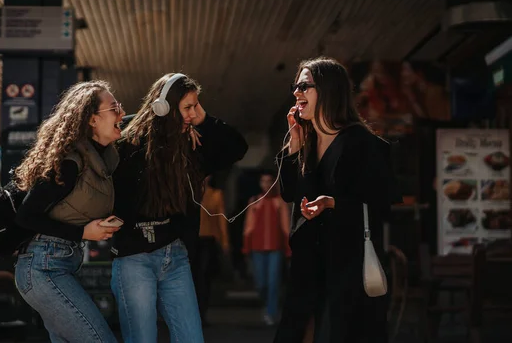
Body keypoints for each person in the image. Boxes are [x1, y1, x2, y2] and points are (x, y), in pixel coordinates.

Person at [111, 73, 248, 343]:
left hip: (176, 256)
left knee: (191, 338)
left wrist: (204, 120)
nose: (193, 113)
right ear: (164, 107)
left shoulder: (192, 145)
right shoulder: (127, 141)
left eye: (196, 105)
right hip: (134, 258)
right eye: (188, 107)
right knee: (142, 339)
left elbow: (237, 147)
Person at [274, 57, 402, 343]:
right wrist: (294, 145)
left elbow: (384, 204)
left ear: (329, 90)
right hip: (309, 266)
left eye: (305, 85)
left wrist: (334, 204)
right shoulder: (305, 143)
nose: (297, 92)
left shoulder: (363, 143)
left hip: (348, 267)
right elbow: (289, 194)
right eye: (296, 86)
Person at [13, 81, 125, 343]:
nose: (121, 113)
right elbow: (26, 216)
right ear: (92, 120)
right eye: (114, 108)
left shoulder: (101, 159)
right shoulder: (70, 162)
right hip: (42, 269)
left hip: (60, 264)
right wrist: (83, 231)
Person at [242, 170, 290, 326]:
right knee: (261, 283)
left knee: (273, 281)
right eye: (264, 181)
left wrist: (289, 248)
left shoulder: (280, 202)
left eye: (269, 181)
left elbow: (285, 227)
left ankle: (271, 311)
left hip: (275, 248)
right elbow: (248, 227)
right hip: (257, 248)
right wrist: (246, 247)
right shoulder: (255, 201)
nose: (266, 184)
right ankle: (267, 305)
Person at [192, 175, 230, 325]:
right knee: (193, 277)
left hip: (208, 240)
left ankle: (202, 313)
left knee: (204, 278)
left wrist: (225, 242)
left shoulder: (215, 194)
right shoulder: (189, 193)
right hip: (191, 241)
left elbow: (221, 219)